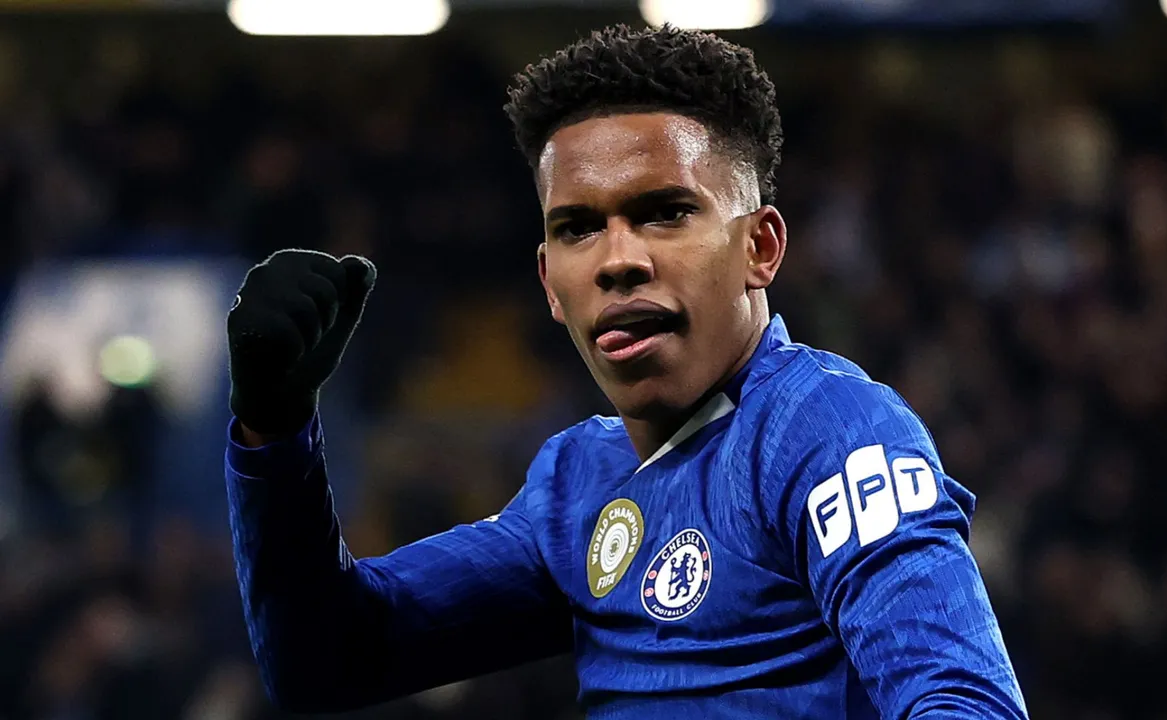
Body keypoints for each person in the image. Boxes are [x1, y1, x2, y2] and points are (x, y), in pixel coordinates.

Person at [223, 24, 1028, 719]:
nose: (617, 261)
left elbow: (964, 702)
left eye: (665, 213)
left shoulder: (827, 433)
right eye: (578, 228)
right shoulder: (576, 486)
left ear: (760, 248)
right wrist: (274, 427)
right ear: (549, 283)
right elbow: (327, 661)